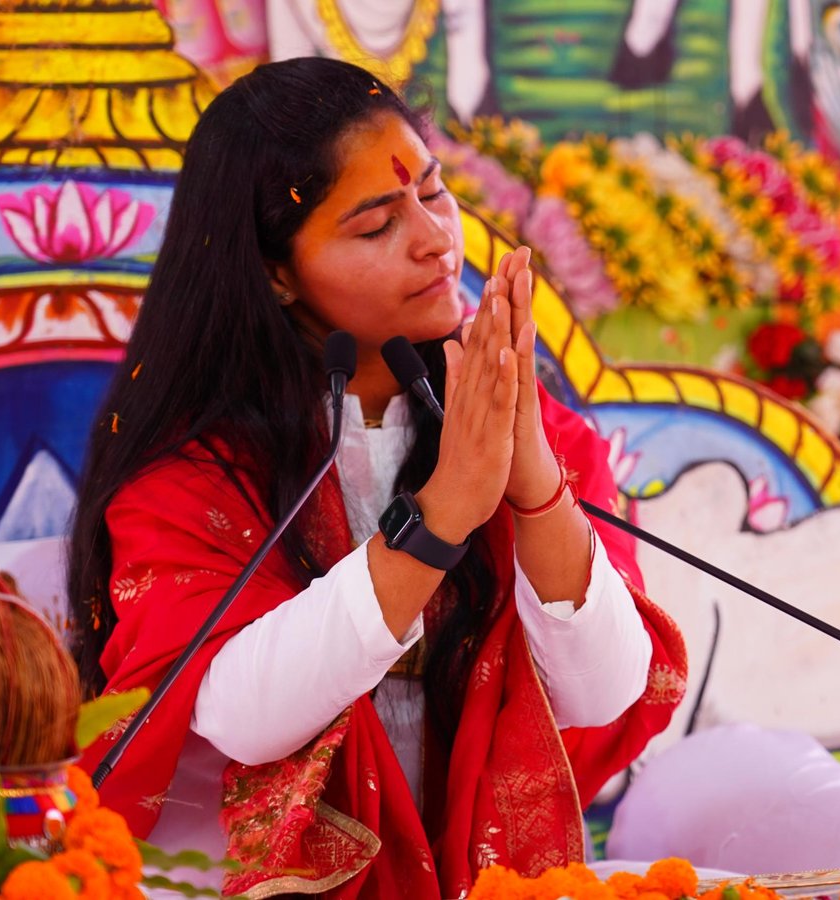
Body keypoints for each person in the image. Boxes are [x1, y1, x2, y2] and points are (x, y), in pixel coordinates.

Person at [64, 57, 686, 898]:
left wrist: (535, 485)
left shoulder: (520, 422)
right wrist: (440, 517)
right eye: (376, 226)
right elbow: (243, 717)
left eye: (434, 193)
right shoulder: (195, 470)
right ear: (276, 272)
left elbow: (605, 692)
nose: (436, 239)